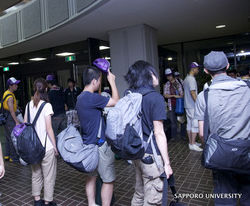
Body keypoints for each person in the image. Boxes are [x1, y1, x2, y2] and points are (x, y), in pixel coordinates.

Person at [194, 51, 250, 206]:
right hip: (247, 152)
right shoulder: (248, 88)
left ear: (205, 71)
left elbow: (202, 133)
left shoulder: (204, 96)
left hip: (221, 154)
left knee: (225, 199)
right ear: (227, 66)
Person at [124, 61, 173, 205]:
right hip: (151, 155)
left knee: (139, 192)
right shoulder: (155, 97)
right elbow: (159, 133)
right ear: (149, 74)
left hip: (136, 151)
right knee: (153, 198)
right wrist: (167, 163)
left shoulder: (129, 94)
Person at [76, 66, 119, 206]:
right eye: (99, 80)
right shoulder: (91, 98)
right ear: (94, 81)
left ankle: (92, 203)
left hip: (88, 144)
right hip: (100, 145)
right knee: (108, 179)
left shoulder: (80, 97)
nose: (100, 83)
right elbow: (116, 102)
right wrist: (112, 82)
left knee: (91, 176)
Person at [23, 78, 58, 206]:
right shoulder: (47, 105)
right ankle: (48, 202)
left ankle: (37, 201)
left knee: (36, 174)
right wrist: (55, 146)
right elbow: (49, 128)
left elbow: (25, 125)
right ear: (46, 89)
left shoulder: (28, 105)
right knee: (49, 176)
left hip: (32, 147)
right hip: (46, 146)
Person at [183, 62, 203, 152]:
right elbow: (192, 92)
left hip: (187, 105)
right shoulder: (191, 79)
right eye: (197, 68)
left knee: (189, 124)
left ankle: (191, 142)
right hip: (192, 105)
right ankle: (193, 144)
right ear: (193, 69)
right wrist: (198, 103)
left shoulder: (186, 78)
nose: (198, 70)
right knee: (195, 124)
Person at [2, 77, 21, 162]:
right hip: (10, 118)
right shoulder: (9, 96)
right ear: (10, 86)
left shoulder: (7, 93)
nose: (17, 86)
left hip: (7, 118)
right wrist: (16, 121)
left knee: (7, 137)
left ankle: (6, 155)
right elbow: (12, 111)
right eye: (15, 84)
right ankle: (13, 157)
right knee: (11, 138)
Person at [163, 68, 183, 142]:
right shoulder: (167, 84)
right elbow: (165, 95)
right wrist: (173, 96)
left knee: (182, 120)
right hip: (171, 104)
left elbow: (182, 94)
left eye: (170, 76)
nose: (169, 77)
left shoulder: (178, 82)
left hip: (179, 104)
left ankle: (183, 135)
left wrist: (179, 96)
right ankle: (174, 136)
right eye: (167, 76)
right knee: (173, 121)